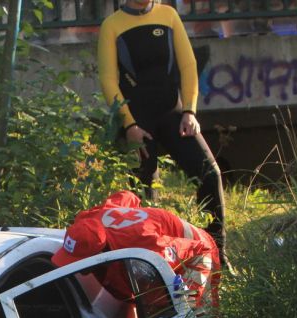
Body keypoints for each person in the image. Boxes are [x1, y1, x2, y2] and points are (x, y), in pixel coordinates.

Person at [97, 0, 228, 266]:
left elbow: (188, 65)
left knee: (209, 174)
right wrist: (129, 125)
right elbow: (108, 79)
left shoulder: (168, 15)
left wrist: (190, 111)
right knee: (144, 193)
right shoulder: (112, 25)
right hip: (137, 121)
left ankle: (217, 254)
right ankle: (151, 263)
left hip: (173, 113)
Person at [51, 190, 220, 317]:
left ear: (100, 253)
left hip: (199, 249)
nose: (77, 269)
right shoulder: (88, 220)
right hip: (164, 243)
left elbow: (199, 251)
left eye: (79, 261)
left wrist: (188, 301)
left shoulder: (146, 248)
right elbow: (127, 196)